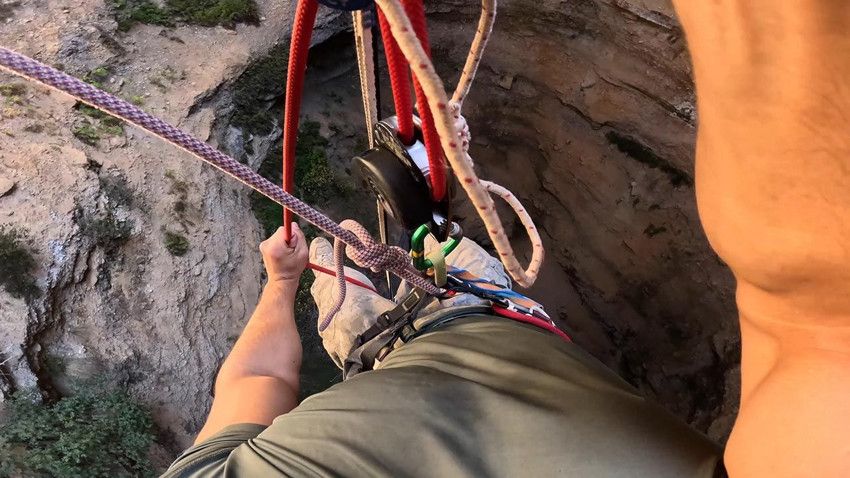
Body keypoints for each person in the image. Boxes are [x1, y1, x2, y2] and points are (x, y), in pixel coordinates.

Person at [164, 1, 850, 476]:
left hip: (404, 356)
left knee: (335, 261)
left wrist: (283, 281)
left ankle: (377, 319)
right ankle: (408, 308)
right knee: (359, 256)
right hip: (481, 321)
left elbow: (257, 381)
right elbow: (820, 319)